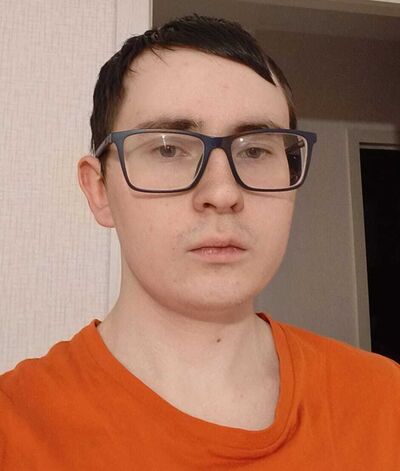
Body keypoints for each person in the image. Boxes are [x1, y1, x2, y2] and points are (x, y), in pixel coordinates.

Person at [0, 14, 399, 470]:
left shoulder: (386, 401)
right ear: (100, 190)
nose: (223, 193)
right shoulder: (14, 428)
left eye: (256, 149)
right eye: (168, 148)